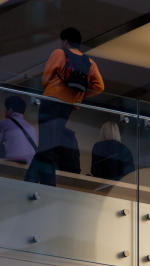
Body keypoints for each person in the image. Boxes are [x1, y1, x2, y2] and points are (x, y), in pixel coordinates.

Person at [27, 27, 104, 186]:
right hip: (68, 106)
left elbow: (45, 78)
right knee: (49, 144)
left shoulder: (59, 53)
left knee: (47, 145)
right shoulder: (89, 62)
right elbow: (99, 86)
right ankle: (31, 180)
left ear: (65, 41)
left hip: (51, 101)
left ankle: (44, 183)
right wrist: (80, 96)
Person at [0, 96, 37, 164]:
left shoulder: (3, 123)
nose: (4, 111)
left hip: (12, 164)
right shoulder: (32, 128)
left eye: (5, 109)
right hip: (30, 165)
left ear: (10, 110)